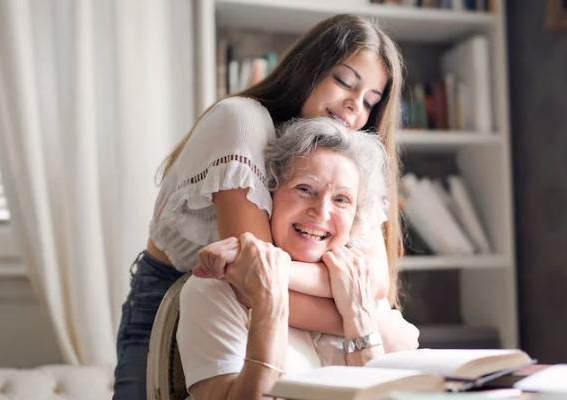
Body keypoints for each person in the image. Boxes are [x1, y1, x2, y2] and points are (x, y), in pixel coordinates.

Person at [113, 14, 407, 400]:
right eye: (344, 81)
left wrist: (362, 302)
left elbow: (376, 282)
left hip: (272, 314)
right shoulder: (243, 120)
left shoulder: (346, 158)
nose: (354, 105)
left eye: (371, 101)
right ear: (308, 69)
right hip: (178, 305)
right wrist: (364, 314)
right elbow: (256, 280)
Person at [178, 118, 417, 400]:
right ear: (271, 194)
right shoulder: (214, 291)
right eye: (305, 189)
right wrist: (269, 305)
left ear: (356, 217)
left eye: (341, 199)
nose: (322, 212)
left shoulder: (364, 298)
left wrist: (359, 318)